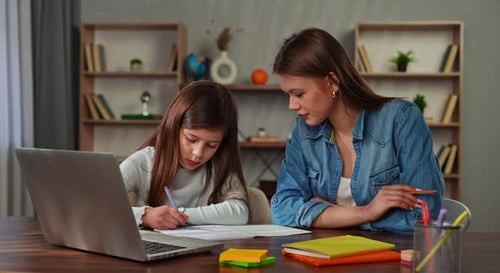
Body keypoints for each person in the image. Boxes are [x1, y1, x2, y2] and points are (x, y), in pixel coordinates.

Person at [270, 28, 445, 234]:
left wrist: (332, 214)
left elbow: (424, 214)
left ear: (332, 82)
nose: (291, 105)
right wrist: (367, 212)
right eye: (288, 95)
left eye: (298, 94)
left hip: (393, 258)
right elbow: (282, 210)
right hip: (326, 255)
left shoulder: (401, 120)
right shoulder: (304, 133)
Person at [120, 80, 249, 230]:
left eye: (211, 145)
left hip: (202, 250)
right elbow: (96, 204)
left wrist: (180, 215)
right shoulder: (144, 162)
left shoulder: (219, 164)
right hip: (150, 250)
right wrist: (145, 216)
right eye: (191, 139)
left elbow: (240, 212)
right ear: (173, 127)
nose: (198, 153)